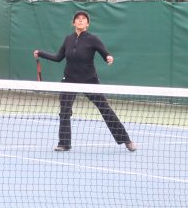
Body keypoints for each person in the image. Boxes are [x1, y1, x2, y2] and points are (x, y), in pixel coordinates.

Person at [33, 10, 136, 152]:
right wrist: (41, 53)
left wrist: (109, 57)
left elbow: (105, 54)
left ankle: (126, 140)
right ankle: (64, 143)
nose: (80, 20)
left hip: (89, 79)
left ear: (87, 24)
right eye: (78, 18)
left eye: (83, 18)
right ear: (73, 23)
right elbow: (58, 58)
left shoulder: (93, 39)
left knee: (105, 109)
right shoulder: (68, 39)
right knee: (64, 111)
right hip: (69, 79)